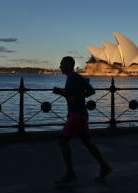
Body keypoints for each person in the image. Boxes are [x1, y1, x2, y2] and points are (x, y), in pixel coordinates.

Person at [53, 56, 112, 185]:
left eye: (62, 64)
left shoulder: (74, 77)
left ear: (69, 65)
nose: (60, 67)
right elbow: (74, 96)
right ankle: (104, 166)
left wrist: (77, 97)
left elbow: (89, 92)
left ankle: (70, 174)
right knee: (87, 142)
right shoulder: (74, 78)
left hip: (76, 116)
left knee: (62, 142)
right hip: (80, 114)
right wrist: (61, 93)